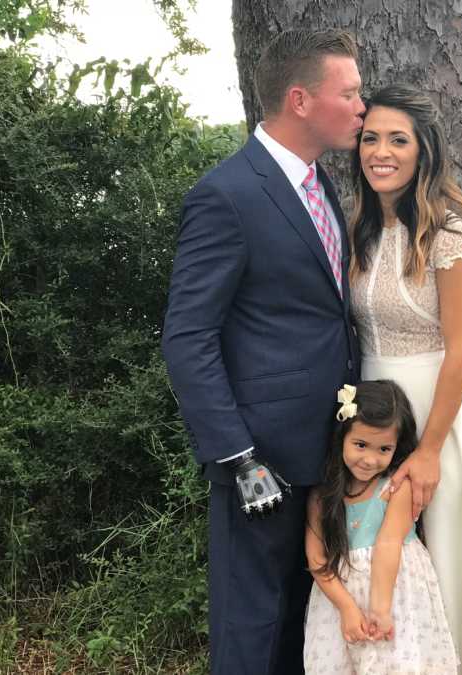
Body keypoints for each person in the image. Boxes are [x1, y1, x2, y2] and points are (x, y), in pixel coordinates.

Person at [160, 29, 364, 675]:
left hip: (330, 448)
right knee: (252, 624)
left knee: (310, 621)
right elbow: (188, 335)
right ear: (301, 100)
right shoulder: (227, 194)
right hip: (263, 458)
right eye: (350, 93)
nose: (362, 107)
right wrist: (237, 455)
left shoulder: (320, 185)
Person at [348, 85, 462, 674]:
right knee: (376, 553)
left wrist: (428, 451)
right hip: (374, 415)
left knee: (450, 560)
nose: (381, 151)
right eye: (370, 137)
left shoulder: (449, 234)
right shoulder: (361, 230)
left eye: (397, 139)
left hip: (436, 417)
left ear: (424, 151)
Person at [303, 380, 458, 674]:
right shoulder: (321, 497)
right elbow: (316, 559)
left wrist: (380, 609)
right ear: (342, 438)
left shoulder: (396, 487)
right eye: (360, 445)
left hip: (394, 596)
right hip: (340, 601)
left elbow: (388, 543)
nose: (370, 459)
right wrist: (347, 608)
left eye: (384, 448)